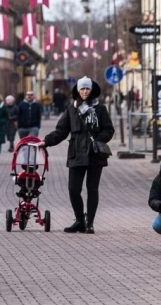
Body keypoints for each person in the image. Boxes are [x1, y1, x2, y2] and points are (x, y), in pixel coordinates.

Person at [38, 77, 114, 234]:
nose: (85, 91)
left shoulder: (100, 108)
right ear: (78, 91)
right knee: (73, 189)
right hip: (76, 153)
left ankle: (90, 223)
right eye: (82, 89)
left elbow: (109, 130)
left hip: (94, 155)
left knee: (92, 189)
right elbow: (61, 131)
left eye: (87, 89)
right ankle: (79, 220)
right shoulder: (71, 109)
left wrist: (99, 139)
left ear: (91, 90)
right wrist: (46, 142)